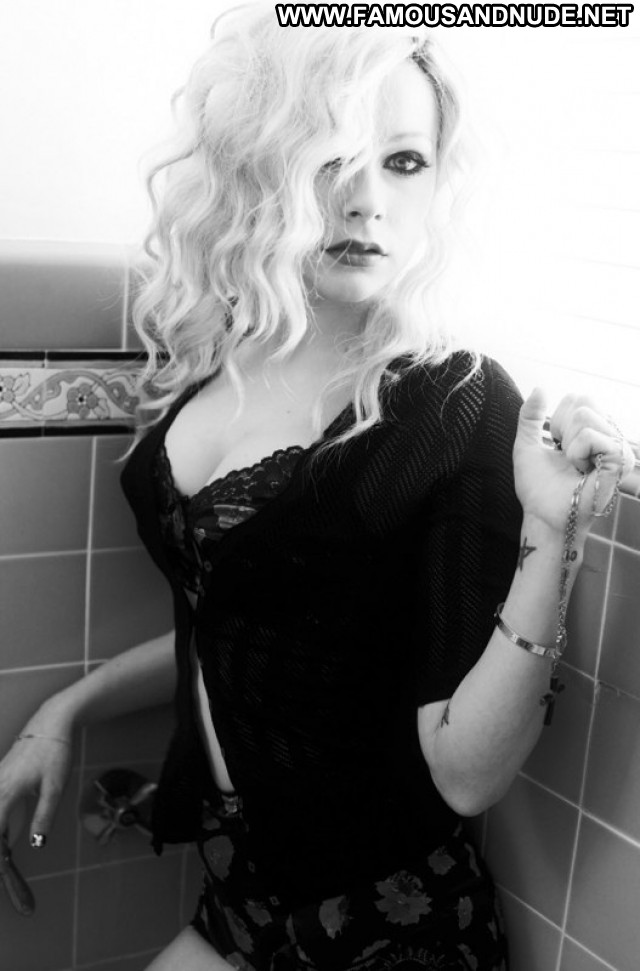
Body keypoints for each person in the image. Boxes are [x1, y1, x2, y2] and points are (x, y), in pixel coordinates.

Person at [0, 7, 635, 970]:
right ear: (263, 164)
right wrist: (69, 708)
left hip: (385, 925)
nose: (367, 200)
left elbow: (467, 776)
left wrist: (553, 534)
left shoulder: (453, 403)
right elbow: (240, 625)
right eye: (331, 155)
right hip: (241, 900)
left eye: (404, 162)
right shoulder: (224, 352)